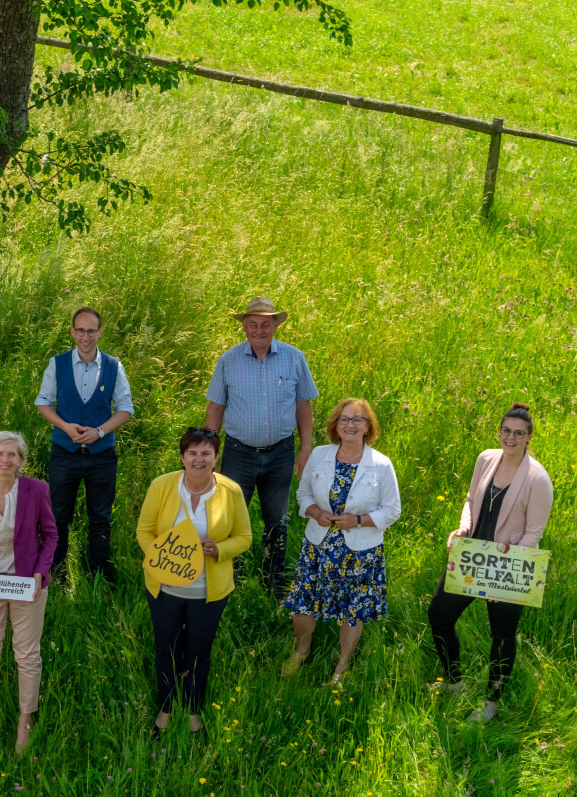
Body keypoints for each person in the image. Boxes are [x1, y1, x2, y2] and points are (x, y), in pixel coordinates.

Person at [428, 402, 553, 723]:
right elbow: (471, 500)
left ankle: (491, 701)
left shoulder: (538, 479)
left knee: (503, 634)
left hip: (508, 565)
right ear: (499, 431)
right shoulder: (486, 459)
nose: (510, 437)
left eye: (519, 434)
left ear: (528, 438)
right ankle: (455, 682)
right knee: (439, 615)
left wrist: (506, 575)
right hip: (472, 557)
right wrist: (463, 527)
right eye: (506, 431)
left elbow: (533, 532)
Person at [136, 428, 253, 737]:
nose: (199, 459)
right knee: (167, 650)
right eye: (192, 453)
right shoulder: (162, 486)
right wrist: (161, 559)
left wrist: (220, 549)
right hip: (165, 589)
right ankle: (164, 711)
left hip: (209, 592)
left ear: (216, 458)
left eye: (206, 453)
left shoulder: (231, 491)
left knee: (199, 652)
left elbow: (245, 537)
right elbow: (144, 531)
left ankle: (193, 713)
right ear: (183, 456)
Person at [205, 296, 318, 601]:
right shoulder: (228, 360)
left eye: (265, 324)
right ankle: (232, 577)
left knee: (277, 520)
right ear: (243, 327)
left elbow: (303, 405)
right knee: (230, 519)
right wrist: (211, 450)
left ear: (275, 326)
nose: (258, 330)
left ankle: (274, 583)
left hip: (280, 453)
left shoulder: (295, 358)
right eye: (252, 324)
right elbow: (215, 408)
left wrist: (304, 448)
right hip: (238, 453)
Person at [281, 398, 401, 685]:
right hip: (318, 544)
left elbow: (392, 510)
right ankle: (301, 651)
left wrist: (357, 521)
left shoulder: (381, 464)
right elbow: (303, 495)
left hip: (359, 549)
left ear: (368, 427)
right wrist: (316, 512)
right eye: (345, 419)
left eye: (358, 419)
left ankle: (342, 665)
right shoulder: (320, 455)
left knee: (352, 610)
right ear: (335, 424)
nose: (350, 425)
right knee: (303, 604)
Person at [0, 431, 58, 753]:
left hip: (25, 583)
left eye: (12, 455)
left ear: (21, 460)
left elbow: (51, 535)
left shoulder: (36, 490)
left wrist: (39, 575)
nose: (5, 460)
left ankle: (24, 720)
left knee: (27, 654)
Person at [35, 306, 134, 583]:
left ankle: (98, 574)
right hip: (64, 453)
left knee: (101, 517)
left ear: (100, 332)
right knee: (58, 515)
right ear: (72, 331)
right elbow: (43, 402)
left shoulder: (114, 366)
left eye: (91, 331)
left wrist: (100, 432)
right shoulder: (58, 363)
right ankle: (56, 573)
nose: (86, 336)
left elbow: (125, 408)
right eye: (80, 330)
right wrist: (65, 426)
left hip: (102, 455)